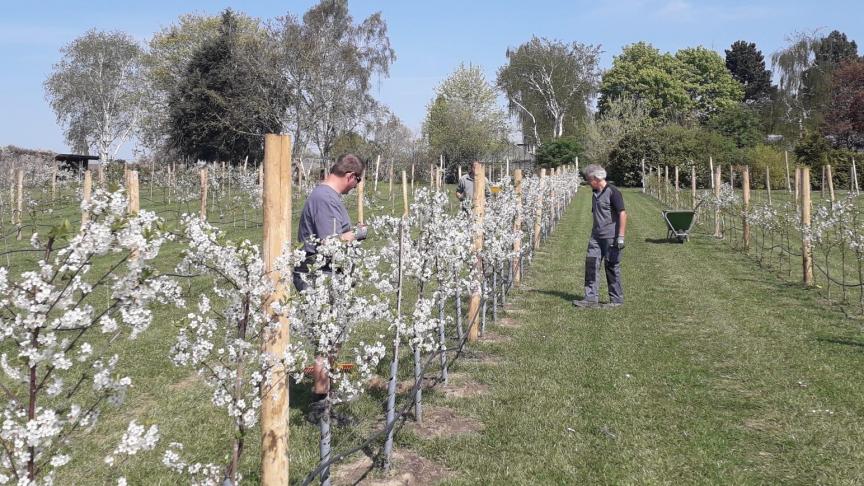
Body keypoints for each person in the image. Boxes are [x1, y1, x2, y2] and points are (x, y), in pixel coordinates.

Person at [294, 153, 367, 419]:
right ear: (350, 176)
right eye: (357, 181)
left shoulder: (326, 197)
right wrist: (359, 234)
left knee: (331, 340)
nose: (356, 186)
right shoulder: (325, 199)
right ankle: (319, 406)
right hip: (320, 277)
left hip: (328, 275)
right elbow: (329, 243)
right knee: (325, 341)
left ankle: (325, 397)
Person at [573, 164, 627, 309]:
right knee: (591, 265)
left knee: (611, 267)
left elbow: (622, 213)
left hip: (611, 237)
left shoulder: (613, 192)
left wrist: (620, 236)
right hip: (596, 237)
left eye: (589, 180)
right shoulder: (595, 193)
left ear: (596, 178)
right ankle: (590, 299)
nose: (589, 182)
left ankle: (616, 300)